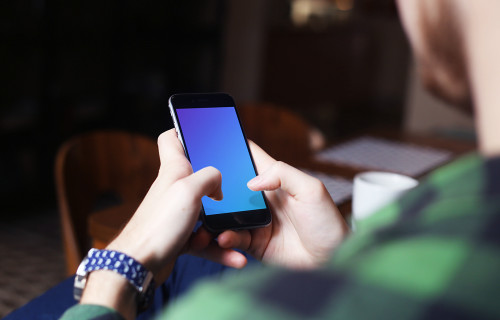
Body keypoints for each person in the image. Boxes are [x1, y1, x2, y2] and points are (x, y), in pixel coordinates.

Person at [8, 0, 500, 319]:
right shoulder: (458, 205)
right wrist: (334, 259)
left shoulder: (232, 310)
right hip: (299, 260)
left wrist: (121, 263)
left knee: (168, 273)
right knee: (190, 267)